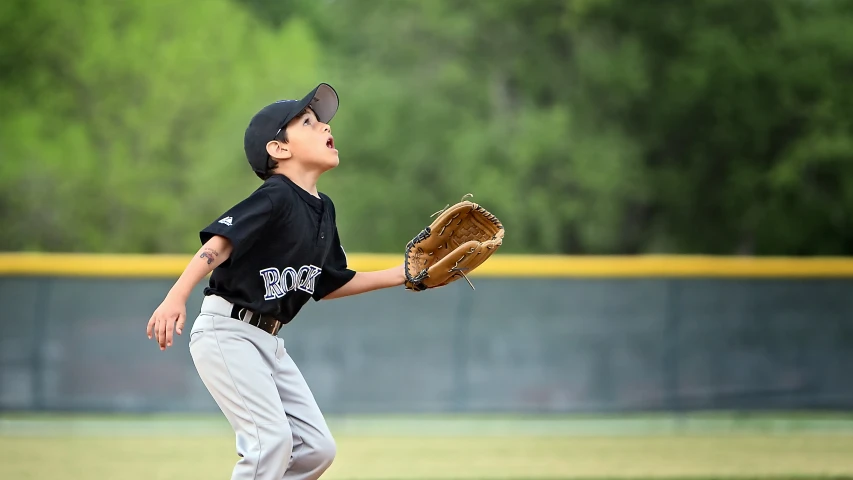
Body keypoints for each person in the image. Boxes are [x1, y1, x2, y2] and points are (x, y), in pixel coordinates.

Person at [146, 83, 405, 480]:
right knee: (270, 443)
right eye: (307, 121)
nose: (322, 127)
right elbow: (220, 244)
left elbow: (329, 283)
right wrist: (175, 296)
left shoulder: (324, 210)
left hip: (268, 341)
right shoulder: (276, 195)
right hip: (227, 332)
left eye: (322, 122)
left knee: (316, 449)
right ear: (279, 149)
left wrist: (404, 274)